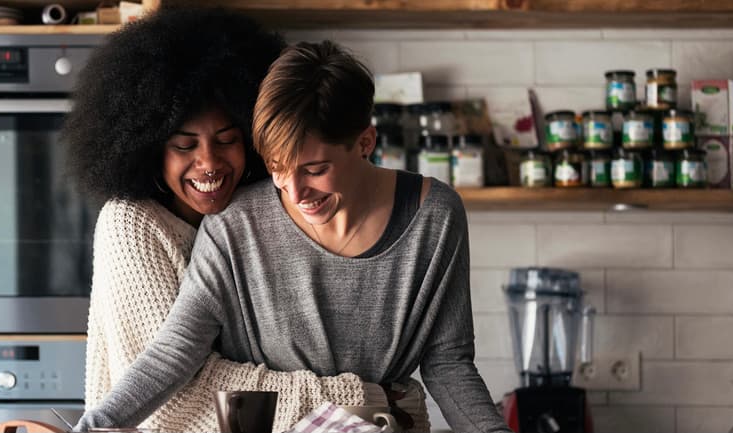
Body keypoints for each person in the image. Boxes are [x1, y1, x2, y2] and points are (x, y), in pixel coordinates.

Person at [74, 40, 511, 433]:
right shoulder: (235, 222)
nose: (294, 192)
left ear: (365, 142)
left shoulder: (434, 216)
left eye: (315, 170)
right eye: (277, 168)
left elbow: (448, 361)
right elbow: (175, 351)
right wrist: (93, 427)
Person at [62, 10, 372, 433]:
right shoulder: (131, 225)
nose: (209, 163)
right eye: (184, 145)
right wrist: (349, 396)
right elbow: (176, 398)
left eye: (227, 140)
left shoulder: (247, 216)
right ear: (149, 149)